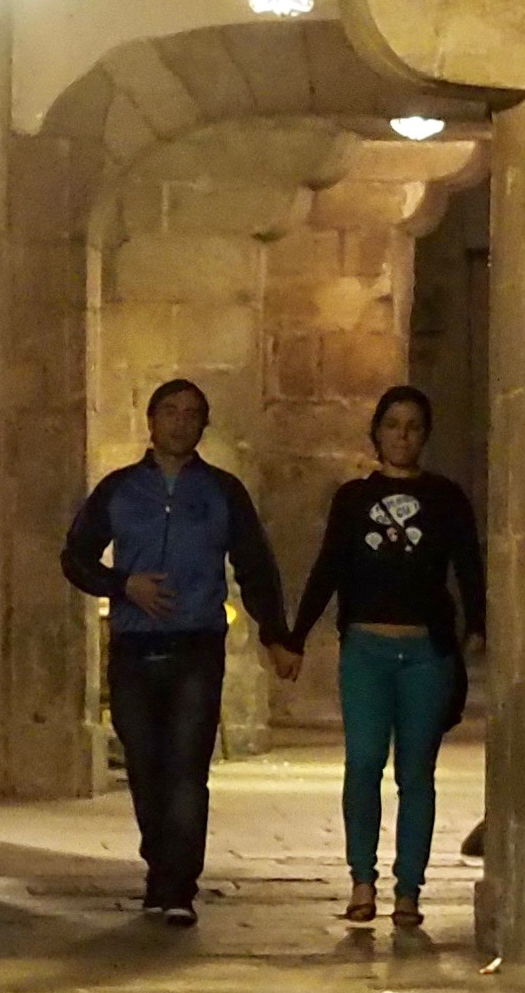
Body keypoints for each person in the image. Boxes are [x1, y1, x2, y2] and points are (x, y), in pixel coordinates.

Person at [55, 378, 285, 926]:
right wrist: (122, 585)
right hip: (134, 646)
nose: (181, 422)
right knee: (145, 763)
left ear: (203, 425)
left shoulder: (223, 492)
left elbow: (255, 565)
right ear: (152, 421)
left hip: (196, 645)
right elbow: (76, 556)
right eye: (171, 411)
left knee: (186, 766)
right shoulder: (119, 490)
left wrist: (277, 634)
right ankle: (160, 859)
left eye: (192, 413)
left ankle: (176, 885)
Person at [274, 384, 488, 928]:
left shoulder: (446, 499)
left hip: (425, 651)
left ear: (425, 435)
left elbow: (468, 565)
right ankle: (362, 880)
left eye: (413, 426)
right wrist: (296, 636)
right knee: (364, 763)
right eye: (392, 425)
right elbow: (329, 567)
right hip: (366, 648)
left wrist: (478, 627)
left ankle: (409, 889)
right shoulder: (353, 499)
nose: (402, 436)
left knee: (416, 773)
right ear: (376, 433)